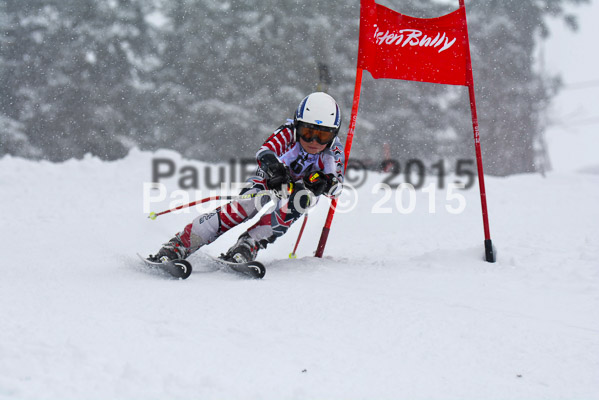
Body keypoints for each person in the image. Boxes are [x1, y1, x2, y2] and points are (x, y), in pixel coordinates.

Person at [148, 92, 345, 264]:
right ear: (297, 125)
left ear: (333, 135)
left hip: (298, 189)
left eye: (323, 136)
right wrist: (275, 170)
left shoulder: (333, 152)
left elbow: (336, 186)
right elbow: (265, 151)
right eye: (307, 132)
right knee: (245, 206)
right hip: (271, 177)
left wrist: (325, 183)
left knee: (300, 202)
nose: (313, 141)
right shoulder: (288, 133)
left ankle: (249, 244)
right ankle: (181, 243)